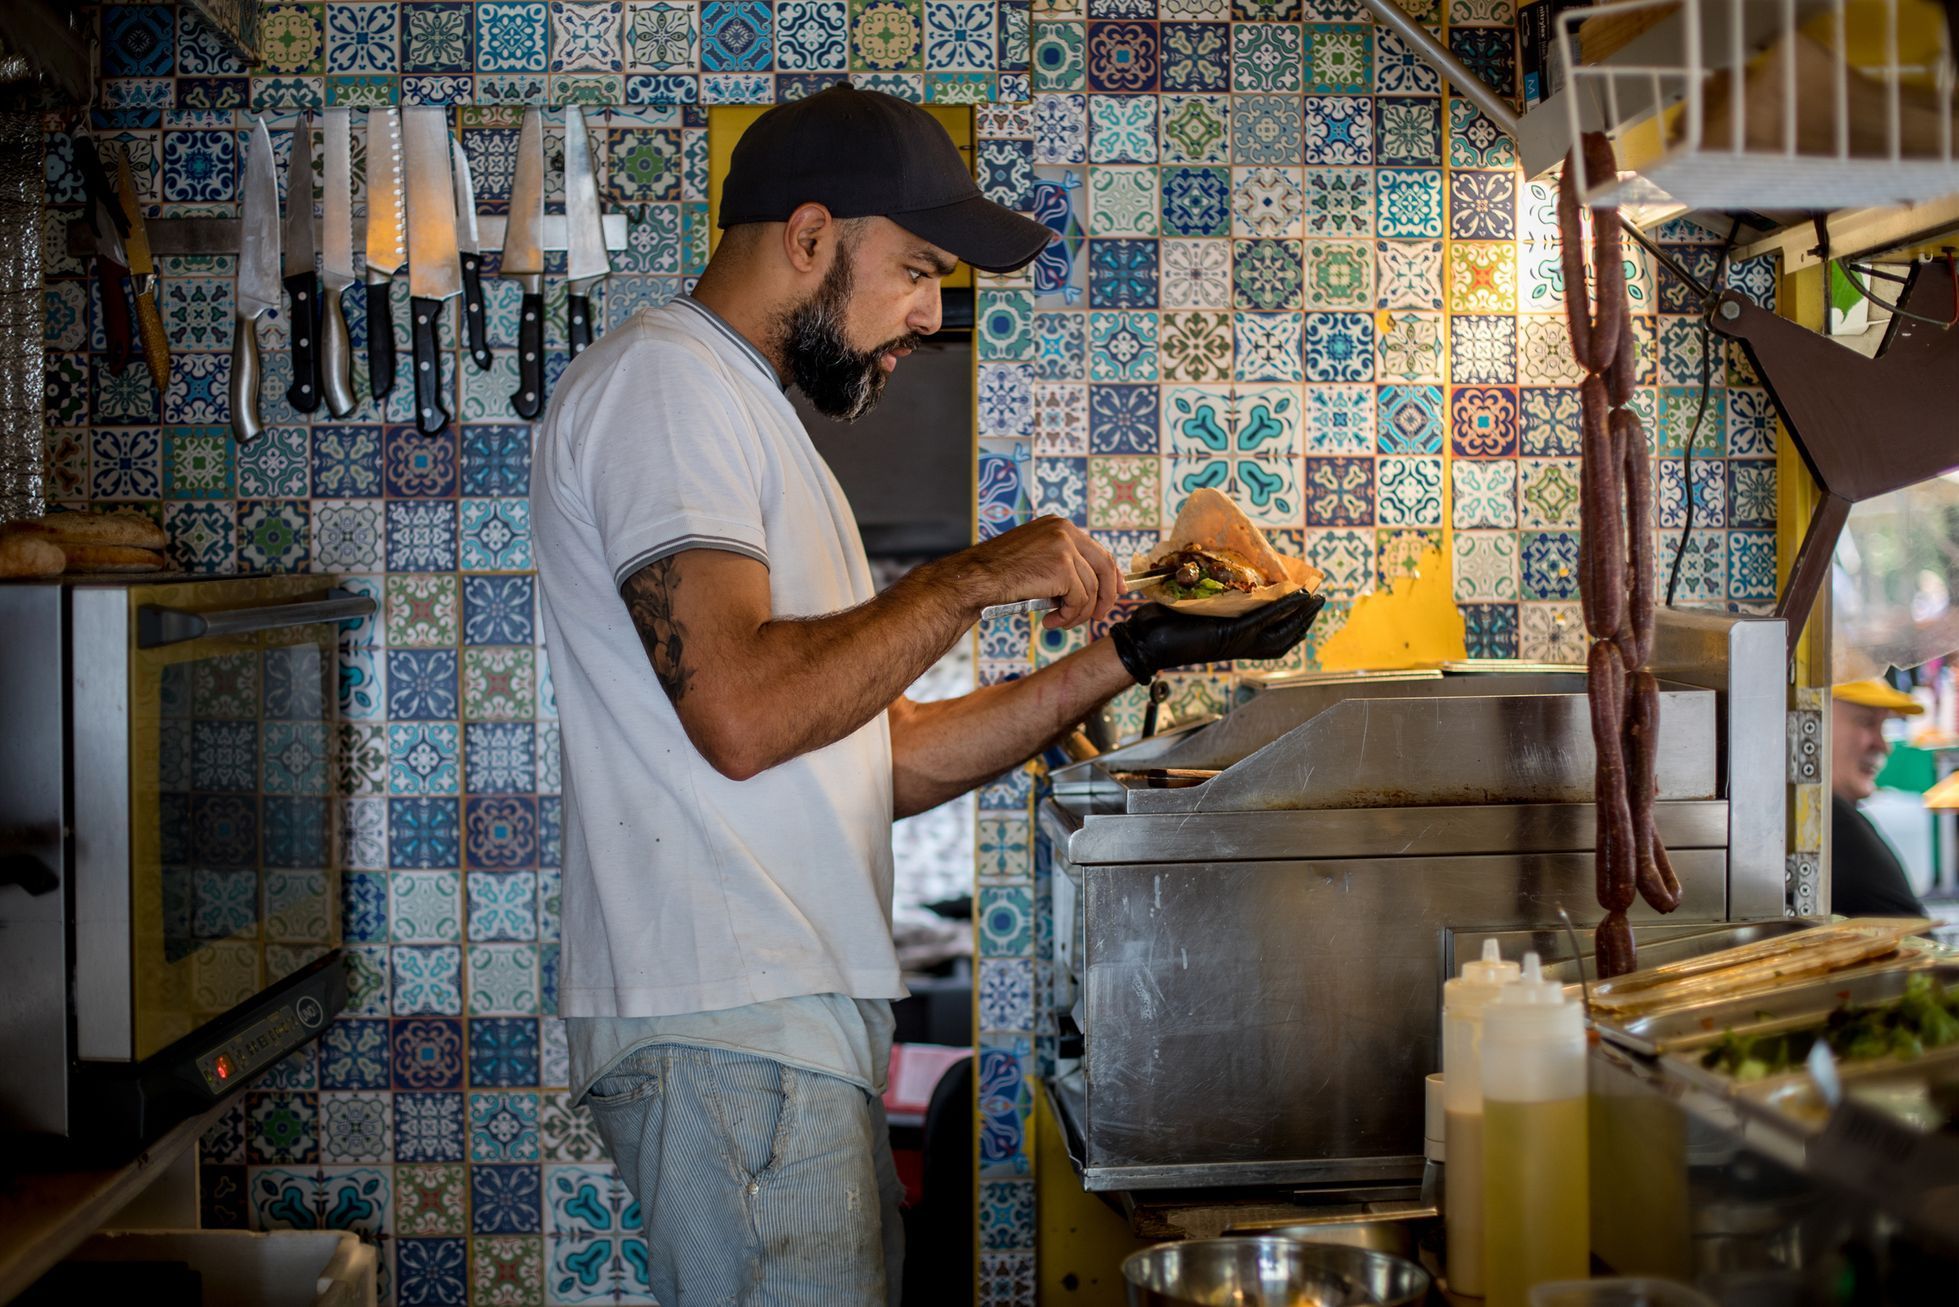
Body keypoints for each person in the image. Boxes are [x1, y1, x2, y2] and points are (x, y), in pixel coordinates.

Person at [529, 85, 1324, 1305]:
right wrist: (973, 576)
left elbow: (879, 758)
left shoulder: (752, 423)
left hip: (779, 1026)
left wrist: (1133, 653)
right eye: (915, 268)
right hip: (735, 1022)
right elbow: (739, 710)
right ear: (807, 238)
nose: (928, 313)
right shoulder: (667, 389)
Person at [1829, 678, 1929, 917]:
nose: (1883, 745)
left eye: (1882, 726)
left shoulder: (1835, 818)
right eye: (1865, 722)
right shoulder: (1833, 820)